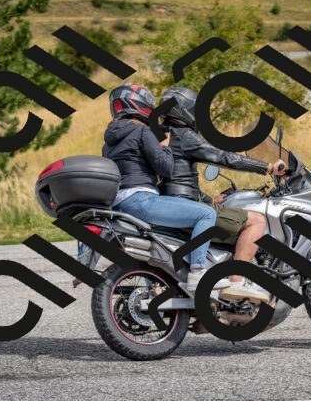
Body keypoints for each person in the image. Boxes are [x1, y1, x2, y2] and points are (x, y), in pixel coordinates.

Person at [157, 87, 286, 304]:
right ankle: (236, 281)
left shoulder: (160, 135)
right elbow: (223, 157)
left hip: (169, 204)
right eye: (193, 110)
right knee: (256, 221)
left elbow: (176, 179)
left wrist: (209, 199)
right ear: (183, 110)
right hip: (185, 206)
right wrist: (268, 167)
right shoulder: (184, 136)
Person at [102, 83, 231, 293]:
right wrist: (165, 147)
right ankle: (198, 273)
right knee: (206, 215)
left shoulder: (110, 140)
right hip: (141, 199)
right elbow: (166, 168)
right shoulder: (143, 131)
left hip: (119, 202)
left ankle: (158, 284)